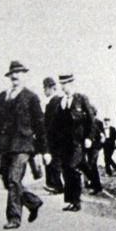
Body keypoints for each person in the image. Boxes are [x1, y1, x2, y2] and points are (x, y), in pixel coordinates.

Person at [0, 61, 48, 230]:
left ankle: (14, 218)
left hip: (24, 145)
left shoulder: (31, 97)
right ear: (9, 77)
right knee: (9, 182)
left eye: (19, 73)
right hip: (5, 146)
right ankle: (33, 202)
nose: (15, 76)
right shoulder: (2, 97)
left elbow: (40, 124)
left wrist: (45, 150)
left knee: (14, 179)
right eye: (12, 74)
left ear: (24, 75)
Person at [51, 73, 97, 211]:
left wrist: (90, 137)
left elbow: (91, 120)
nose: (63, 87)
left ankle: (77, 201)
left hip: (78, 142)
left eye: (65, 85)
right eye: (62, 85)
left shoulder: (81, 99)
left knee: (72, 168)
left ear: (71, 84)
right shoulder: (62, 101)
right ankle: (70, 201)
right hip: (64, 143)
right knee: (66, 170)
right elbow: (56, 124)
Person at [42, 77, 64, 194]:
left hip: (56, 138)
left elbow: (54, 122)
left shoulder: (57, 101)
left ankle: (58, 187)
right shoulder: (52, 102)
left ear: (51, 88)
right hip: (53, 138)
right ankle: (54, 185)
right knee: (52, 163)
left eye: (45, 88)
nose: (44, 91)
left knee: (55, 163)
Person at [85, 113, 105, 194]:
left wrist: (98, 147)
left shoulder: (98, 122)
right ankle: (93, 184)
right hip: (88, 147)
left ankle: (97, 186)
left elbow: (103, 136)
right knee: (89, 165)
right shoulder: (86, 122)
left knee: (92, 165)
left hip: (95, 147)